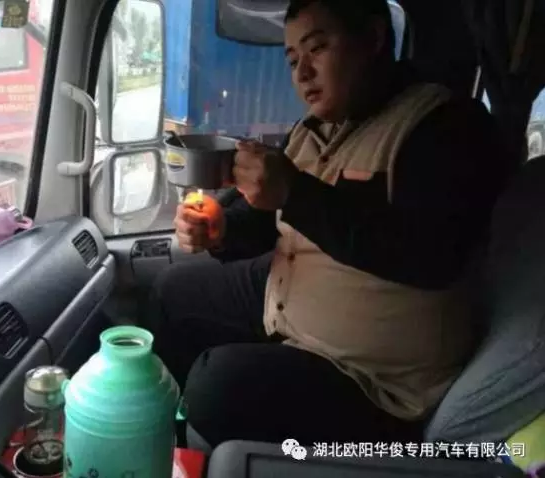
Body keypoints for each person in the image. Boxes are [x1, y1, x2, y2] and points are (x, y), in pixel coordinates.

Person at [144, 0, 512, 450]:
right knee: (173, 290)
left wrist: (295, 193)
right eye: (292, 60)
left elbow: (429, 255)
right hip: (288, 302)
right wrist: (222, 229)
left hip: (372, 377)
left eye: (317, 49)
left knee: (216, 383)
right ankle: (170, 441)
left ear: (373, 39)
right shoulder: (316, 127)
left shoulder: (445, 127)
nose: (302, 74)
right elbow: (268, 220)